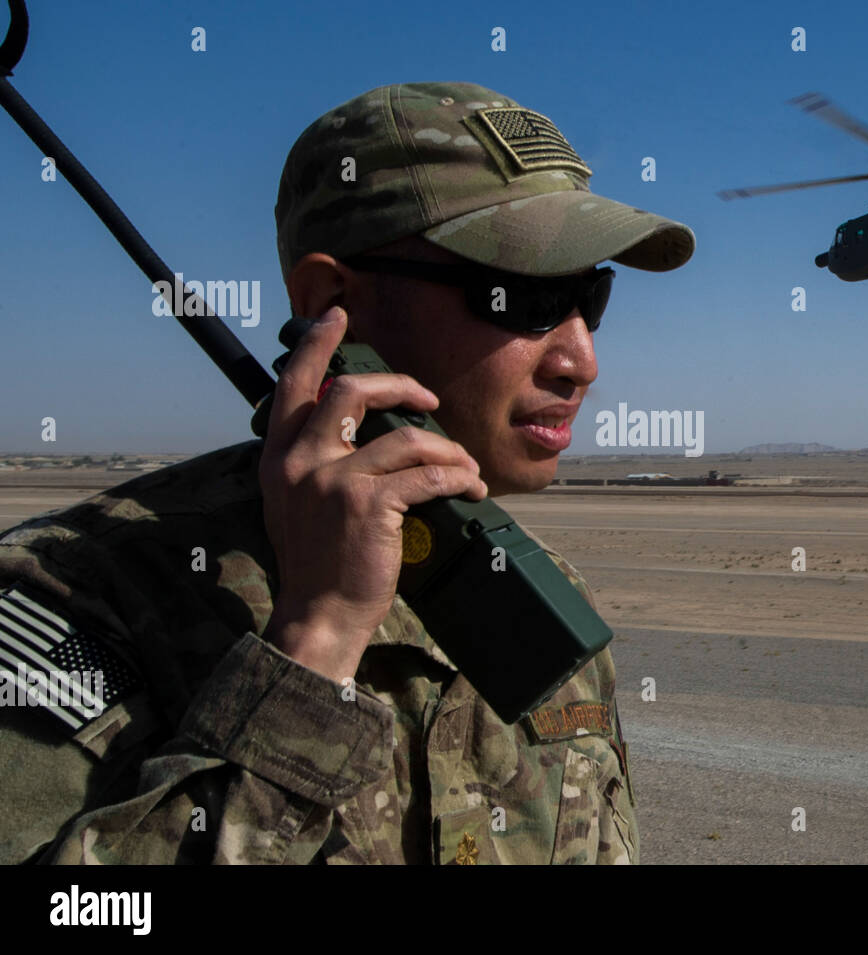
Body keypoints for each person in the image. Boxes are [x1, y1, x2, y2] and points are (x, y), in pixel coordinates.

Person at [0, 81, 694, 864]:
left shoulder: (546, 597)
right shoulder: (73, 600)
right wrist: (313, 644)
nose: (582, 362)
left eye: (589, 297)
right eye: (527, 295)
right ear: (333, 301)